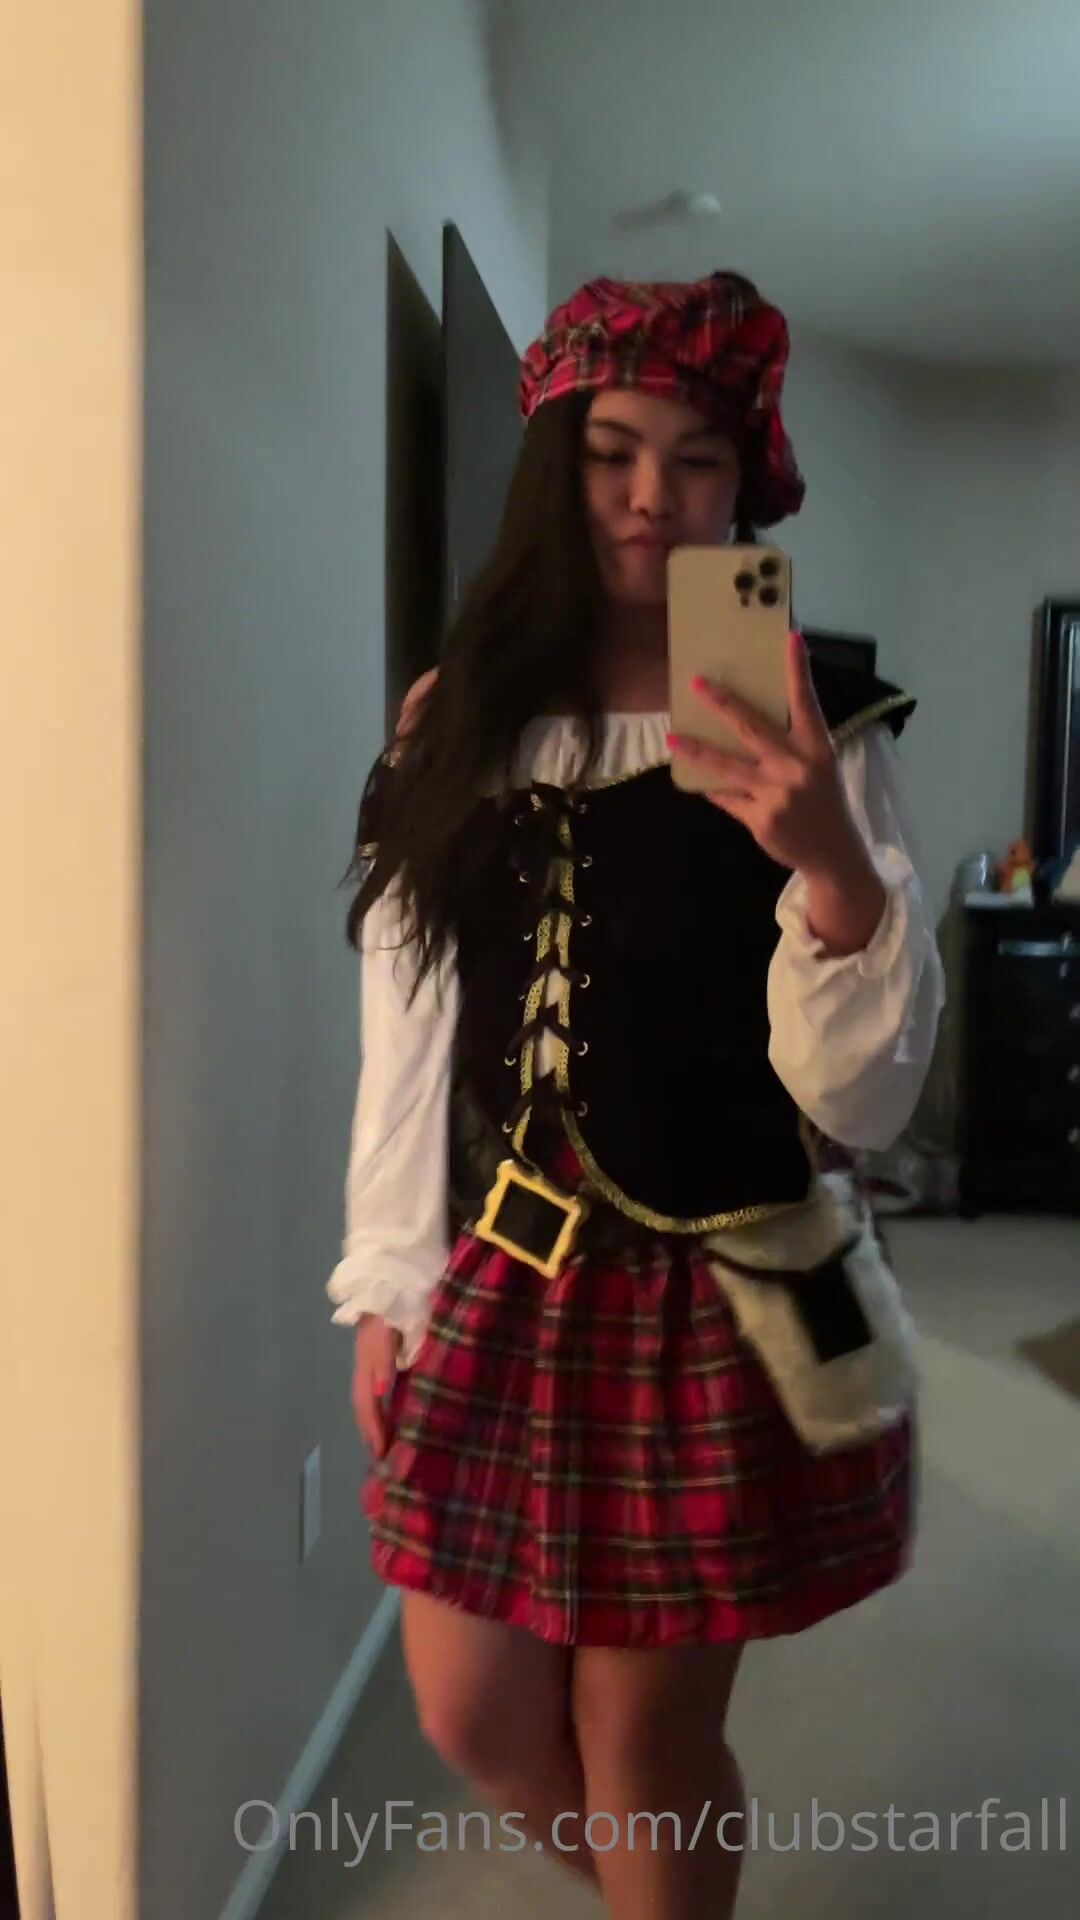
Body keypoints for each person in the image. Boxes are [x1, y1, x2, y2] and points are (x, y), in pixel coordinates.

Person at [327, 270, 944, 1919]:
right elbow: (410, 1010)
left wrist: (828, 862)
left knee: (643, 1737)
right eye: (612, 452)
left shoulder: (822, 725)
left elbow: (866, 1104)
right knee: (471, 1712)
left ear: (749, 490)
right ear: (555, 467)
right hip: (506, 1271)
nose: (654, 495)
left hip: (721, 1285)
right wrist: (390, 1274)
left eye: (698, 458)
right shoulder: (460, 718)